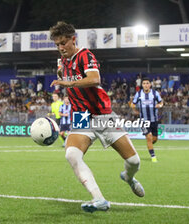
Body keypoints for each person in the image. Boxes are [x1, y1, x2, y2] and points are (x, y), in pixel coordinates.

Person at [49, 21, 144, 213]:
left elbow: (94, 79)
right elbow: (63, 71)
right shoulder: (62, 61)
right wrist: (62, 74)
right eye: (57, 44)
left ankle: (128, 176)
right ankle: (99, 199)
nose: (60, 48)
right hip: (82, 116)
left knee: (134, 162)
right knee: (72, 155)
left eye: (64, 43)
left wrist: (68, 83)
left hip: (102, 114)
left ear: (73, 40)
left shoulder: (85, 55)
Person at [131, 77, 163, 163]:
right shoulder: (138, 94)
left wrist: (159, 105)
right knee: (149, 137)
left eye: (147, 83)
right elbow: (133, 104)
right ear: (142, 85)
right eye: (144, 83)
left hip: (154, 120)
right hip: (143, 120)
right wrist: (135, 110)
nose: (146, 85)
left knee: (154, 139)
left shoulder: (155, 93)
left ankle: (149, 146)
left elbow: (161, 102)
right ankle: (153, 156)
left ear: (150, 84)